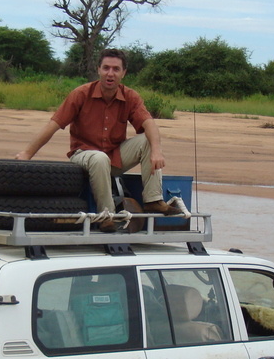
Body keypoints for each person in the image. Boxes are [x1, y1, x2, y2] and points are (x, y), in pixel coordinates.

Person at [15, 49, 183, 230]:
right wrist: (27, 154)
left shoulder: (130, 96)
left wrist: (156, 151)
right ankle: (107, 215)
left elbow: (149, 124)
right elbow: (53, 125)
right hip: (83, 156)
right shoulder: (81, 94)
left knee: (148, 139)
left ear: (123, 73)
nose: (110, 74)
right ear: (98, 70)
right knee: (99, 158)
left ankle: (153, 200)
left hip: (113, 156)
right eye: (106, 68)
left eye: (116, 69)